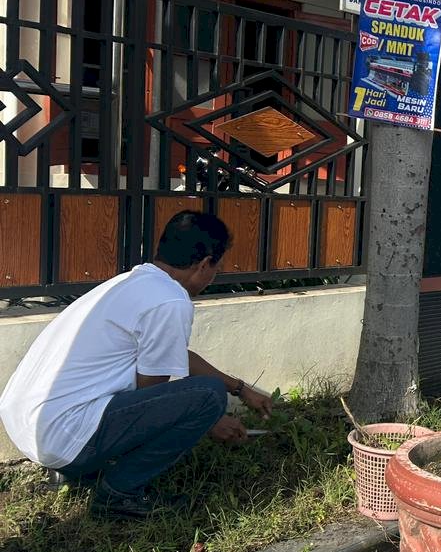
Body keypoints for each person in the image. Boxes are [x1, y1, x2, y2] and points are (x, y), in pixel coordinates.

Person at [0, 212, 275, 519]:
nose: (215, 277)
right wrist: (211, 421)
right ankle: (119, 494)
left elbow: (175, 354)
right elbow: (153, 394)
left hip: (28, 426)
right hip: (63, 434)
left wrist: (240, 388)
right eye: (218, 269)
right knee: (209, 396)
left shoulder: (132, 282)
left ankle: (76, 471)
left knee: (209, 392)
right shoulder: (171, 300)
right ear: (204, 264)